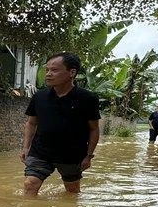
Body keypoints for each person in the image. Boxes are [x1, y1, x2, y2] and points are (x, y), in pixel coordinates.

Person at [20, 52, 100, 197]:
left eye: (54, 70)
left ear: (72, 72)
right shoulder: (39, 97)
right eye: (47, 70)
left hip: (72, 155)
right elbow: (31, 123)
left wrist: (88, 156)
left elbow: (94, 129)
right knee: (30, 184)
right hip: (41, 152)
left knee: (72, 191)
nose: (48, 74)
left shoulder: (87, 98)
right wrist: (26, 147)